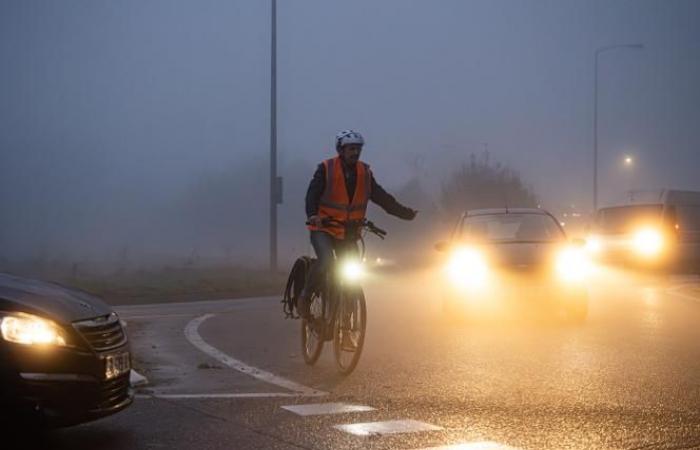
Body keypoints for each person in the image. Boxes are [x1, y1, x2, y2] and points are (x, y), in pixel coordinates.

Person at [297, 129, 417, 319]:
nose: (355, 152)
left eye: (358, 149)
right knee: (326, 261)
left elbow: (382, 198)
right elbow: (312, 195)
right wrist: (313, 215)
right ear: (341, 150)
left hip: (349, 232)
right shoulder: (326, 169)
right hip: (323, 229)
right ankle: (305, 297)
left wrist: (405, 213)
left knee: (352, 272)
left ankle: (347, 320)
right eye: (351, 149)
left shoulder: (365, 173)